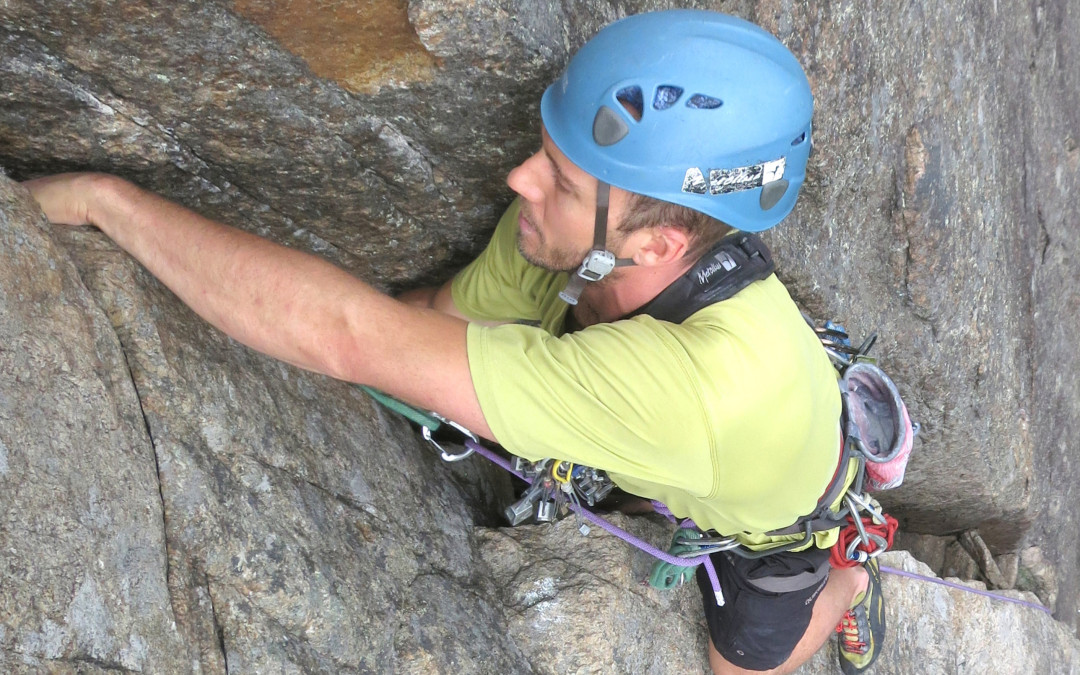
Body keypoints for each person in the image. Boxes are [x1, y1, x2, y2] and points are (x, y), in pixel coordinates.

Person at [24, 10, 884, 675]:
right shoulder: (584, 226)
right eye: (544, 154)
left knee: (740, 663)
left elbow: (349, 335)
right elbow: (430, 327)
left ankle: (848, 579)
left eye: (557, 177)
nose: (520, 180)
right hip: (727, 415)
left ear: (658, 246)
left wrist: (110, 204)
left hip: (784, 516)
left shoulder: (689, 390)